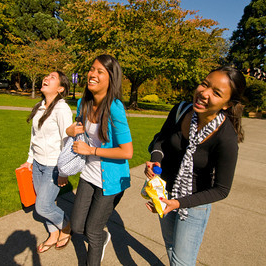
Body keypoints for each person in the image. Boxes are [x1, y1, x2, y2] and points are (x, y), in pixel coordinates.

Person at [144, 66, 246, 265]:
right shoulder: (181, 110)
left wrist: (178, 203)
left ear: (227, 104)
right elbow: (161, 140)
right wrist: (156, 158)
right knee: (171, 247)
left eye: (216, 93)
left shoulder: (226, 138)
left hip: (194, 204)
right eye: (205, 84)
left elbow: (222, 190)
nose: (204, 93)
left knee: (182, 261)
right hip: (164, 193)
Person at [66, 54, 133, 265]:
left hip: (111, 180)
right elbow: (79, 134)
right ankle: (104, 237)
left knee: (92, 231)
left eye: (100, 71)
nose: (92, 74)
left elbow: (127, 152)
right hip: (88, 174)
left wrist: (91, 151)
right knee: (77, 227)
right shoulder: (82, 103)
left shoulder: (115, 108)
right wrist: (70, 131)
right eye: (92, 69)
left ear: (111, 78)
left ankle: (97, 242)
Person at [19, 71, 73, 253]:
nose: (46, 78)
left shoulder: (62, 109)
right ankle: (53, 234)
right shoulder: (39, 106)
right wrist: (29, 160)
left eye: (52, 77)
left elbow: (68, 141)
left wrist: (64, 172)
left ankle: (66, 225)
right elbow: (34, 137)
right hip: (38, 165)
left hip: (53, 166)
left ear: (60, 88)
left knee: (42, 206)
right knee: (44, 204)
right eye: (46, 76)